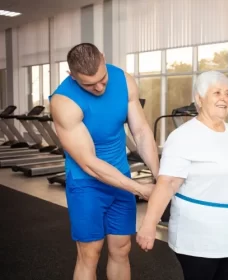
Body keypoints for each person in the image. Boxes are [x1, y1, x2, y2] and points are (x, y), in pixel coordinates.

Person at [136, 70, 228, 280]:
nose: (224, 99)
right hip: (198, 236)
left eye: (227, 93)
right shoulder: (183, 137)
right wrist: (149, 224)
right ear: (199, 98)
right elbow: (168, 183)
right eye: (217, 93)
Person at [49, 43, 159, 280]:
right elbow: (88, 162)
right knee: (90, 253)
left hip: (121, 178)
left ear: (104, 59)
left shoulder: (123, 80)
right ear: (71, 76)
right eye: (89, 84)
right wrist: (140, 189)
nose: (99, 87)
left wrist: (159, 177)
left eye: (102, 79)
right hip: (87, 184)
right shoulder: (63, 102)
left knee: (122, 249)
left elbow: (140, 131)